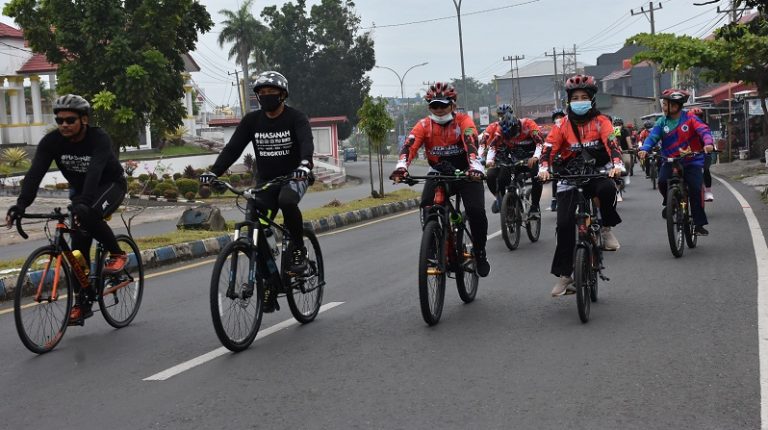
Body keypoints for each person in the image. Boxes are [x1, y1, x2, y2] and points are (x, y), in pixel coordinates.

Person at [4, 94, 128, 322]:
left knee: (86, 213)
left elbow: (95, 171)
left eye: (70, 120)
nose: (64, 125)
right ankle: (84, 300)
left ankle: (118, 253)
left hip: (110, 184)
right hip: (81, 191)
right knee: (77, 252)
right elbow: (35, 173)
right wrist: (21, 204)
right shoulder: (52, 141)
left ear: (84, 119)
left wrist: (83, 202)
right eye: (59, 120)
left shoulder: (98, 138)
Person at [199, 71, 314, 311]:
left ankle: (298, 252)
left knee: (287, 200)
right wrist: (214, 173)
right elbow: (232, 150)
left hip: (295, 176)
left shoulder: (296, 118)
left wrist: (304, 164)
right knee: (254, 224)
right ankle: (270, 281)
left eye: (271, 92)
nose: (266, 97)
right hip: (265, 181)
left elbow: (306, 143)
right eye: (261, 93)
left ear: (282, 95)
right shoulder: (252, 121)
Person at [390, 82, 490, 277]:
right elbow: (410, 146)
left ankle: (479, 251)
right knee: (427, 203)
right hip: (438, 171)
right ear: (429, 107)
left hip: (466, 171)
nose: (440, 109)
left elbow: (471, 145)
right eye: (435, 105)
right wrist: (401, 167)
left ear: (453, 105)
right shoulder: (423, 125)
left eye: (444, 105)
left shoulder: (463, 122)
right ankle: (433, 243)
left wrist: (476, 168)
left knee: (475, 210)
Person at [538, 75, 624, 297]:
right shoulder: (561, 125)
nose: (579, 101)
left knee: (607, 189)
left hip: (596, 173)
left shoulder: (602, 121)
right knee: (564, 225)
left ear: (592, 99)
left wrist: (616, 164)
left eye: (584, 97)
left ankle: (605, 229)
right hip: (570, 176)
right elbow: (548, 149)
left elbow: (612, 144)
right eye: (575, 97)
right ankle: (566, 276)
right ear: (568, 101)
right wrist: (544, 168)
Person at [638, 89, 714, 235]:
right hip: (670, 161)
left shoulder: (691, 118)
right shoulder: (662, 122)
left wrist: (708, 143)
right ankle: (670, 202)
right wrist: (645, 149)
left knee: (695, 189)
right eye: (664, 104)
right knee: (661, 181)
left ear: (676, 105)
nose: (664, 107)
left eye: (666, 104)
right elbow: (652, 137)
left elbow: (704, 131)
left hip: (692, 161)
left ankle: (698, 224)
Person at [484, 112, 544, 217]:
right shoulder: (501, 130)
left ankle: (534, 207)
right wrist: (489, 160)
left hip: (531, 158)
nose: (511, 138)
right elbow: (493, 146)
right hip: (514, 159)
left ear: (517, 127)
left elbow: (540, 143)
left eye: (512, 134)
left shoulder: (529, 124)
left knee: (537, 177)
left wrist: (535, 157)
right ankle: (507, 205)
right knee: (502, 178)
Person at [689, 107, 714, 202]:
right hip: (688, 153)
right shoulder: (685, 127)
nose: (697, 118)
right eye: (694, 116)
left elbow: (708, 138)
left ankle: (708, 191)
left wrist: (709, 146)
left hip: (702, 152)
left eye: (699, 116)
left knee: (706, 169)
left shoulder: (704, 126)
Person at [548, 109, 566, 211]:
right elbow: (549, 146)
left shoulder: (569, 128)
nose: (559, 119)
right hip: (556, 158)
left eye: (561, 117)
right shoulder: (552, 131)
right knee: (555, 178)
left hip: (569, 157)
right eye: (556, 117)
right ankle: (554, 199)